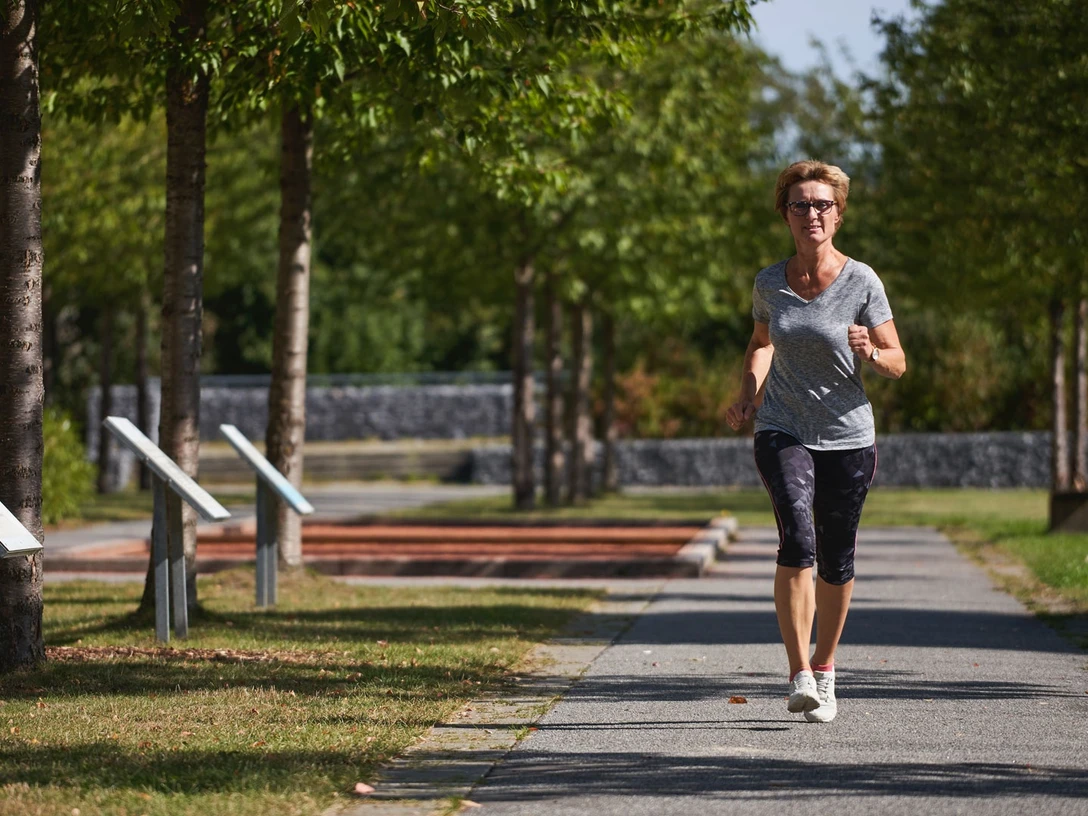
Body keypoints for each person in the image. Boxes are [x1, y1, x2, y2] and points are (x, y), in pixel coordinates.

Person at [726, 160, 905, 723]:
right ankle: (799, 671)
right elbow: (761, 341)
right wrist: (750, 394)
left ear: (839, 214)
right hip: (783, 426)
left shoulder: (862, 281)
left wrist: (870, 351)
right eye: (800, 205)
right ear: (784, 213)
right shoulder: (768, 282)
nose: (812, 214)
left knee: (837, 553)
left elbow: (898, 361)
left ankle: (826, 669)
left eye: (823, 205)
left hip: (849, 434)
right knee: (797, 538)